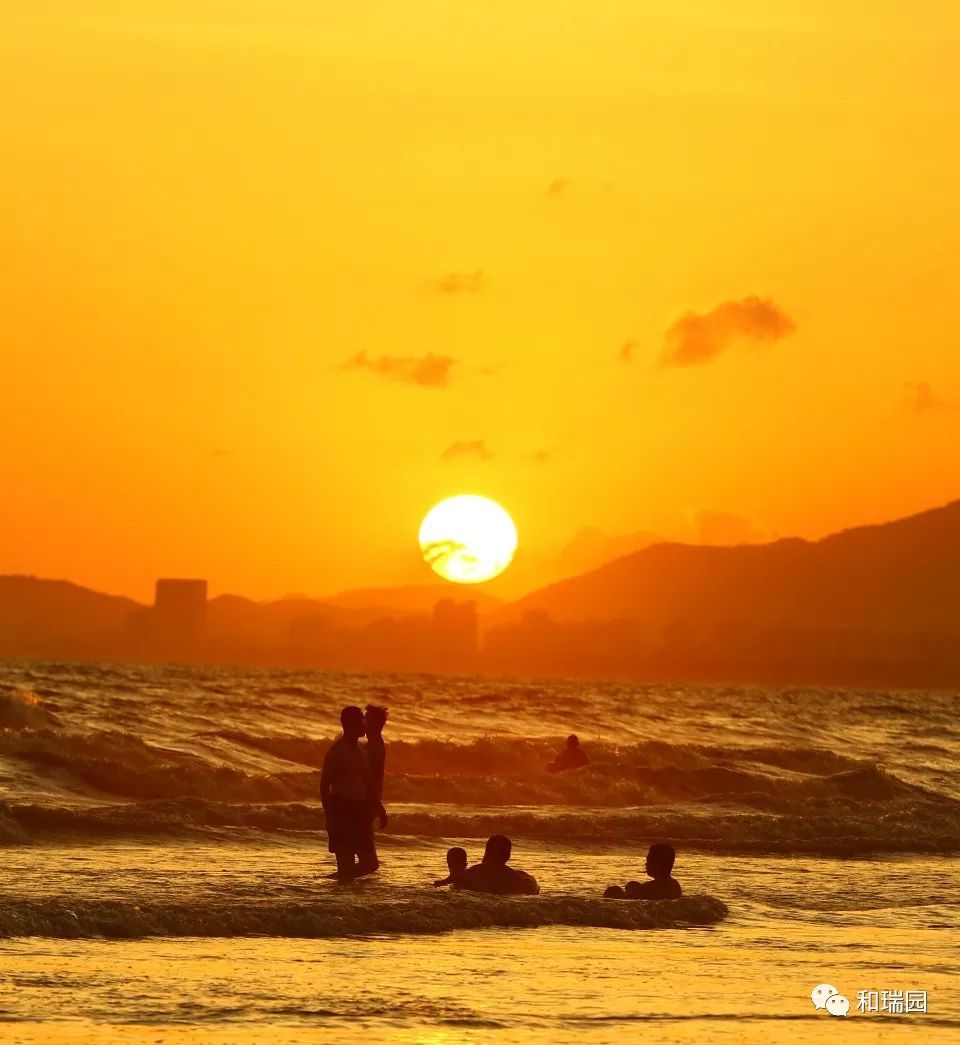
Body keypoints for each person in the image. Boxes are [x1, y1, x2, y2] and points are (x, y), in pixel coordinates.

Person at [320, 706, 378, 880]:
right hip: (341, 809)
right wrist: (329, 815)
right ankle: (337, 885)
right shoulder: (337, 750)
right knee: (346, 864)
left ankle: (332, 880)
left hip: (360, 812)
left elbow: (368, 784)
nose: (365, 723)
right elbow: (325, 785)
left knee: (371, 864)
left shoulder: (362, 750)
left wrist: (378, 810)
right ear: (350, 723)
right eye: (362, 719)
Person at [458, 835, 540, 895]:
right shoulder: (513, 877)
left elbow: (457, 887)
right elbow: (534, 890)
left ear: (486, 852)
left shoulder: (472, 872)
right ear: (508, 856)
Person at [604, 843, 683, 900]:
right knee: (632, 885)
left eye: (648, 861)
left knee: (613, 890)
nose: (645, 864)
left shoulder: (648, 888)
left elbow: (626, 899)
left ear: (657, 864)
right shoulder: (675, 884)